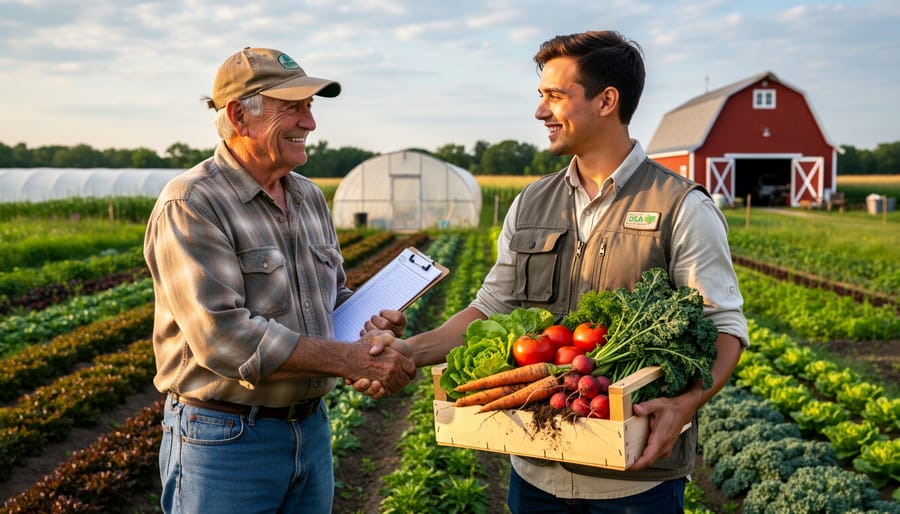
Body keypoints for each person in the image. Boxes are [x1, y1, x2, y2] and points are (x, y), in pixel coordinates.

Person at [363, 30, 750, 512]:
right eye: (540, 96)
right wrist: (406, 351)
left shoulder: (680, 206)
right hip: (535, 470)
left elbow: (724, 327)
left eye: (555, 96)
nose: (540, 111)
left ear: (607, 100)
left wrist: (687, 403)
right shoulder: (530, 202)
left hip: (633, 483)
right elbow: (491, 308)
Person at [143, 47, 416, 514]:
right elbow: (223, 337)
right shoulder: (192, 202)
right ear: (238, 116)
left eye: (310, 107)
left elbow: (330, 297)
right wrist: (350, 360)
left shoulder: (308, 196)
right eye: (292, 107)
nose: (309, 123)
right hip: (226, 439)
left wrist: (369, 330)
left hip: (310, 430)